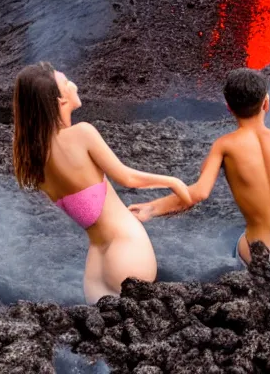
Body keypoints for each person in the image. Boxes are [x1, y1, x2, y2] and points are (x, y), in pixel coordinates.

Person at [12, 62, 191, 304]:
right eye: (66, 82)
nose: (73, 84)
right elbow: (127, 177)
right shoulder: (81, 133)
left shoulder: (33, 161)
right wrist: (173, 182)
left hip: (95, 269)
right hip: (127, 249)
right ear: (60, 101)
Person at [130, 68, 270, 265]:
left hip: (260, 256)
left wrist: (150, 209)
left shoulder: (224, 145)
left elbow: (198, 194)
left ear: (228, 108)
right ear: (266, 103)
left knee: (239, 242)